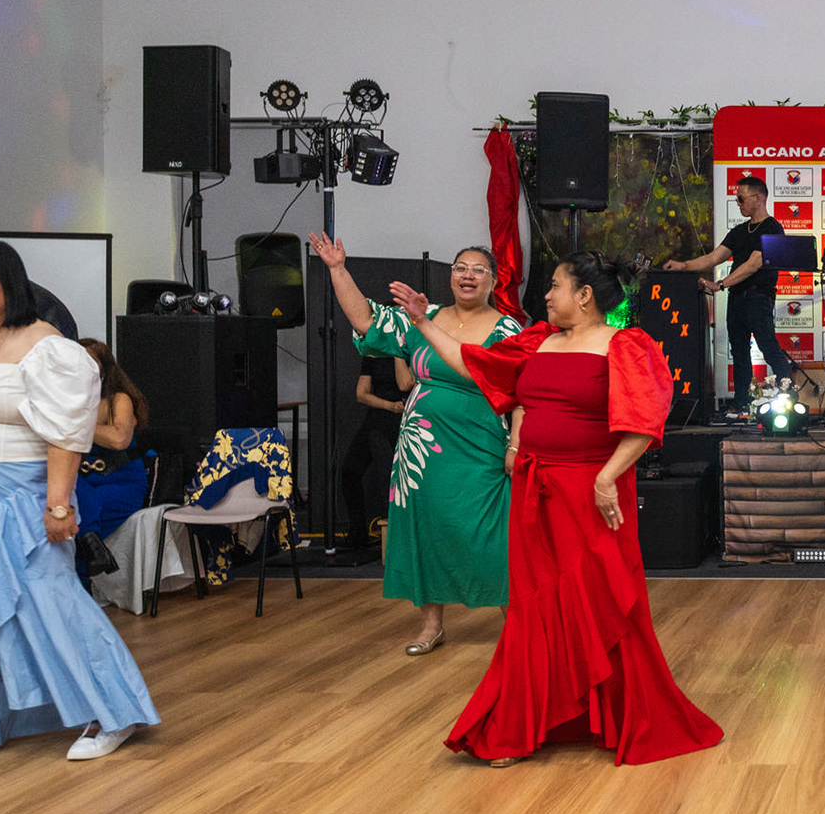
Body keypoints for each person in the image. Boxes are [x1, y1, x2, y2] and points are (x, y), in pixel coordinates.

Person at [389, 251, 722, 767]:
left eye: (556, 286)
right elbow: (473, 364)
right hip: (535, 492)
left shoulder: (625, 345)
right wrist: (422, 322)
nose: (546, 295)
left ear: (584, 296)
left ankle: (617, 716)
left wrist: (607, 477)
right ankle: (518, 726)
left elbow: (645, 421)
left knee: (603, 601)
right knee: (534, 608)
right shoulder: (536, 340)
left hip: (591, 494)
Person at [0, 236, 158, 759]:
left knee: (52, 599)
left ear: (11, 284)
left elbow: (66, 435)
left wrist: (58, 505)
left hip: (21, 494)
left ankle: (116, 711)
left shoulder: (46, 345)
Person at [309, 234, 519, 655]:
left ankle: (516, 628)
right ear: (450, 275)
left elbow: (521, 393)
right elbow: (366, 321)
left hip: (481, 447)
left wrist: (515, 444)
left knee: (493, 537)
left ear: (495, 281)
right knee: (427, 532)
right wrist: (337, 270)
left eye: (479, 270)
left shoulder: (507, 329)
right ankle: (431, 625)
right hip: (422, 451)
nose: (468, 276)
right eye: (461, 268)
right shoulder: (425, 315)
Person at [661, 175, 794, 411]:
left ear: (758, 199)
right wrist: (683, 265)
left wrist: (721, 284)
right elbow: (712, 258)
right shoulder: (740, 231)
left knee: (769, 348)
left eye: (741, 199)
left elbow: (753, 264)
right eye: (737, 199)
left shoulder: (772, 228)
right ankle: (742, 405)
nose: (738, 203)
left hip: (758, 298)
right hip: (737, 299)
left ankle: (788, 398)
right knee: (740, 353)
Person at [73, 338, 152, 554]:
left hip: (120, 482)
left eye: (89, 362)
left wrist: (73, 425)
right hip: (81, 482)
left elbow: (119, 439)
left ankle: (89, 555)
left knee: (83, 509)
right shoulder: (64, 400)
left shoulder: (119, 399)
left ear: (103, 370)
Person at [336, 352, 414, 555]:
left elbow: (409, 384)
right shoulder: (372, 353)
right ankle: (358, 532)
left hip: (404, 416)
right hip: (379, 414)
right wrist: (389, 405)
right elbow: (361, 394)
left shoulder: (408, 349)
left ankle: (402, 536)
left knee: (392, 474)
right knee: (350, 471)